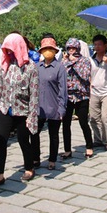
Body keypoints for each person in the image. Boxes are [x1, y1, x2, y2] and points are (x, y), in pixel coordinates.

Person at [0, 33, 39, 186]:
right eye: (6, 49)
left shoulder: (31, 68)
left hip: (22, 110)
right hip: (5, 108)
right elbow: (1, 87)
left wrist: (32, 116)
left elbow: (34, 95)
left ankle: (29, 167)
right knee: (0, 139)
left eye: (11, 49)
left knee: (23, 139)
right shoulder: (5, 65)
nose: (8, 52)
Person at [31, 37, 67, 170]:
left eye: (50, 49)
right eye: (45, 49)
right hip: (38, 107)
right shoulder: (37, 67)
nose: (47, 52)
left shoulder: (59, 67)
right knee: (34, 133)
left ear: (54, 51)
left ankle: (52, 159)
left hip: (54, 106)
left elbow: (63, 89)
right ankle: (35, 158)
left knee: (53, 134)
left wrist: (62, 108)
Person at [61, 38, 94, 159]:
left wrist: (74, 63)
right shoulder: (64, 61)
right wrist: (66, 62)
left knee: (83, 122)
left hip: (82, 96)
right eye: (69, 48)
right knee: (65, 124)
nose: (71, 51)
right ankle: (67, 150)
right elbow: (60, 75)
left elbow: (85, 75)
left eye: (74, 48)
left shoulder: (84, 60)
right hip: (68, 96)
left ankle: (89, 146)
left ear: (78, 48)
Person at [89, 34, 107, 151]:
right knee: (93, 117)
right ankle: (97, 139)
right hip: (94, 91)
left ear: (105, 45)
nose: (97, 47)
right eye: (95, 44)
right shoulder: (91, 59)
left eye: (100, 44)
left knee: (105, 117)